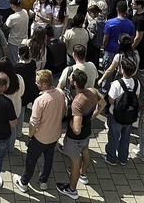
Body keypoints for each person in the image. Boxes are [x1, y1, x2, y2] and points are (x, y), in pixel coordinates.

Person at [13, 69, 65, 194]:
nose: (35, 84)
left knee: (31, 159)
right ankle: (43, 181)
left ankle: (24, 182)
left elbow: (33, 122)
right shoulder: (60, 93)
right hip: (55, 134)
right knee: (49, 158)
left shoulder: (40, 100)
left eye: (37, 82)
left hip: (40, 137)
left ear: (44, 85)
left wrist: (30, 136)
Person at [57, 70, 106, 200]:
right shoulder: (93, 91)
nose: (69, 78)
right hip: (87, 132)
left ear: (74, 83)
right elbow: (103, 104)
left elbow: (77, 129)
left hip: (75, 138)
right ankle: (84, 174)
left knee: (75, 163)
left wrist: (72, 124)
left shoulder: (77, 103)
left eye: (71, 78)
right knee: (85, 151)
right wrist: (95, 114)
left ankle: (72, 189)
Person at [104, 58, 142, 166]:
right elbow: (137, 97)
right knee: (126, 137)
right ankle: (123, 158)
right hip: (130, 115)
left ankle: (111, 157)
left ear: (122, 70)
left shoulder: (116, 84)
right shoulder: (136, 83)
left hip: (116, 115)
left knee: (114, 136)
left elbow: (111, 101)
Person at [102, 2, 135, 70]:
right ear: (126, 10)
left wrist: (104, 47)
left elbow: (106, 38)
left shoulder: (110, 22)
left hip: (110, 49)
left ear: (117, 9)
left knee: (108, 70)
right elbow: (131, 39)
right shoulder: (131, 24)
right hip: (124, 51)